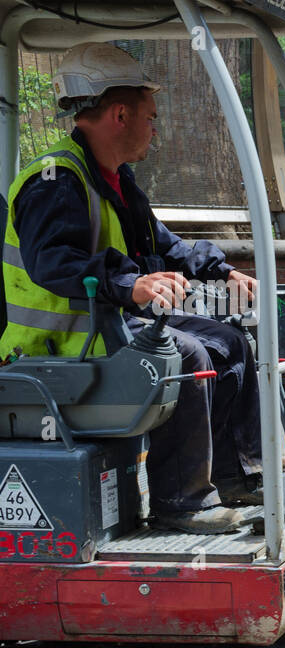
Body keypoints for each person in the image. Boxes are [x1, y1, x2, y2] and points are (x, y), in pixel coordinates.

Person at [1, 43, 261, 534]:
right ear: (120, 114)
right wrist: (130, 285)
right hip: (60, 350)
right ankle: (180, 503)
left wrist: (221, 270)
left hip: (107, 329)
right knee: (185, 356)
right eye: (151, 116)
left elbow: (165, 245)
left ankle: (237, 478)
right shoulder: (53, 181)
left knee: (227, 342)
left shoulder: (117, 182)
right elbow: (52, 264)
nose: (155, 128)